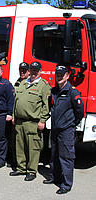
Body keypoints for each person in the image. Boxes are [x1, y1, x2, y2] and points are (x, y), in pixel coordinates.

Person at [43, 65, 84, 194]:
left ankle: (66, 184)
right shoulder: (54, 90)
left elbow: (80, 111)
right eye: (57, 74)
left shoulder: (72, 92)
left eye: (62, 74)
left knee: (66, 157)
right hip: (55, 128)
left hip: (66, 130)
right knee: (54, 155)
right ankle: (55, 177)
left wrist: (71, 124)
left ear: (67, 76)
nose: (59, 77)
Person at [10, 61, 51, 181]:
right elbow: (16, 102)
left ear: (40, 71)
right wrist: (13, 115)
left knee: (33, 148)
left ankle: (32, 171)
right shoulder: (23, 83)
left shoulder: (43, 85)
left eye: (36, 70)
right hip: (19, 121)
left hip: (33, 122)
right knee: (20, 146)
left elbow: (46, 105)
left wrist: (43, 120)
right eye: (32, 70)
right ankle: (21, 168)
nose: (33, 72)